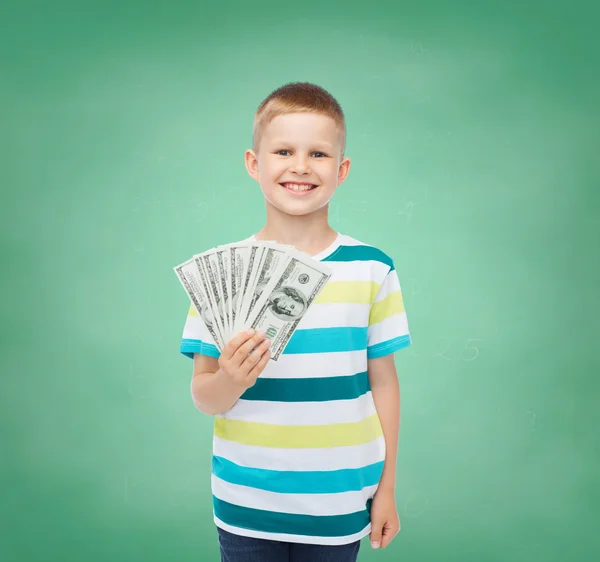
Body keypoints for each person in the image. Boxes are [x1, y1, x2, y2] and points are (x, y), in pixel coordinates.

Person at [179, 82, 412, 561]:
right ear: (254, 164)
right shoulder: (222, 275)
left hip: (341, 502)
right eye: (283, 150)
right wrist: (230, 379)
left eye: (319, 154)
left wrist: (386, 488)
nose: (301, 166)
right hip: (246, 502)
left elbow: (383, 384)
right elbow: (204, 395)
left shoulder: (372, 268)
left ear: (342, 170)